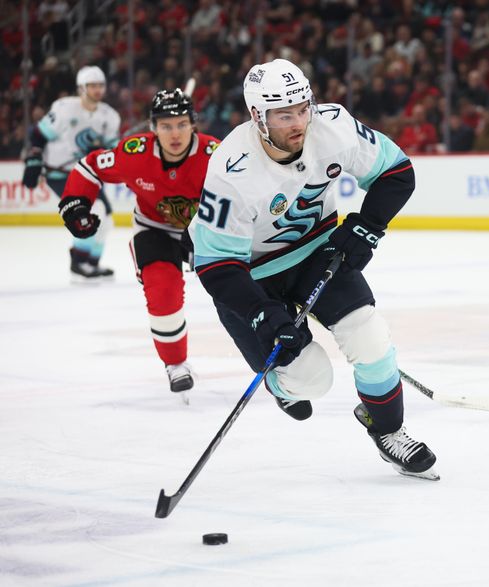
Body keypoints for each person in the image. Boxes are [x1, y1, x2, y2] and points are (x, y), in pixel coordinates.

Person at [187, 58, 438, 481]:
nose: (299, 122)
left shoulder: (333, 126)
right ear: (257, 117)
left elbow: (397, 172)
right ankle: (282, 385)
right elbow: (216, 266)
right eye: (284, 115)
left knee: (371, 339)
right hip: (249, 277)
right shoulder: (231, 171)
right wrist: (260, 313)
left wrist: (367, 226)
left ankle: (388, 429)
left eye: (303, 108)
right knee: (312, 380)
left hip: (317, 253)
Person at [59, 89, 220, 394]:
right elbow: (90, 167)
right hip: (155, 228)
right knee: (162, 292)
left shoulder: (216, 156)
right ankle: (175, 364)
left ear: (193, 125)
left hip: (208, 232)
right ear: (152, 128)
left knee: (243, 287)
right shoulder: (134, 154)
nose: (175, 134)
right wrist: (76, 202)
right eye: (166, 125)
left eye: (181, 124)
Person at [22, 65, 120, 280]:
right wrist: (34, 159)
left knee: (107, 219)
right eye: (92, 85)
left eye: (100, 85)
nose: (97, 90)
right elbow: (38, 135)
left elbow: (114, 150)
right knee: (95, 210)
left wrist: (103, 151)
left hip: (87, 174)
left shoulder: (109, 116)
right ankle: (78, 263)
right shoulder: (64, 109)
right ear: (81, 88)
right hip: (61, 173)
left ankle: (91, 264)